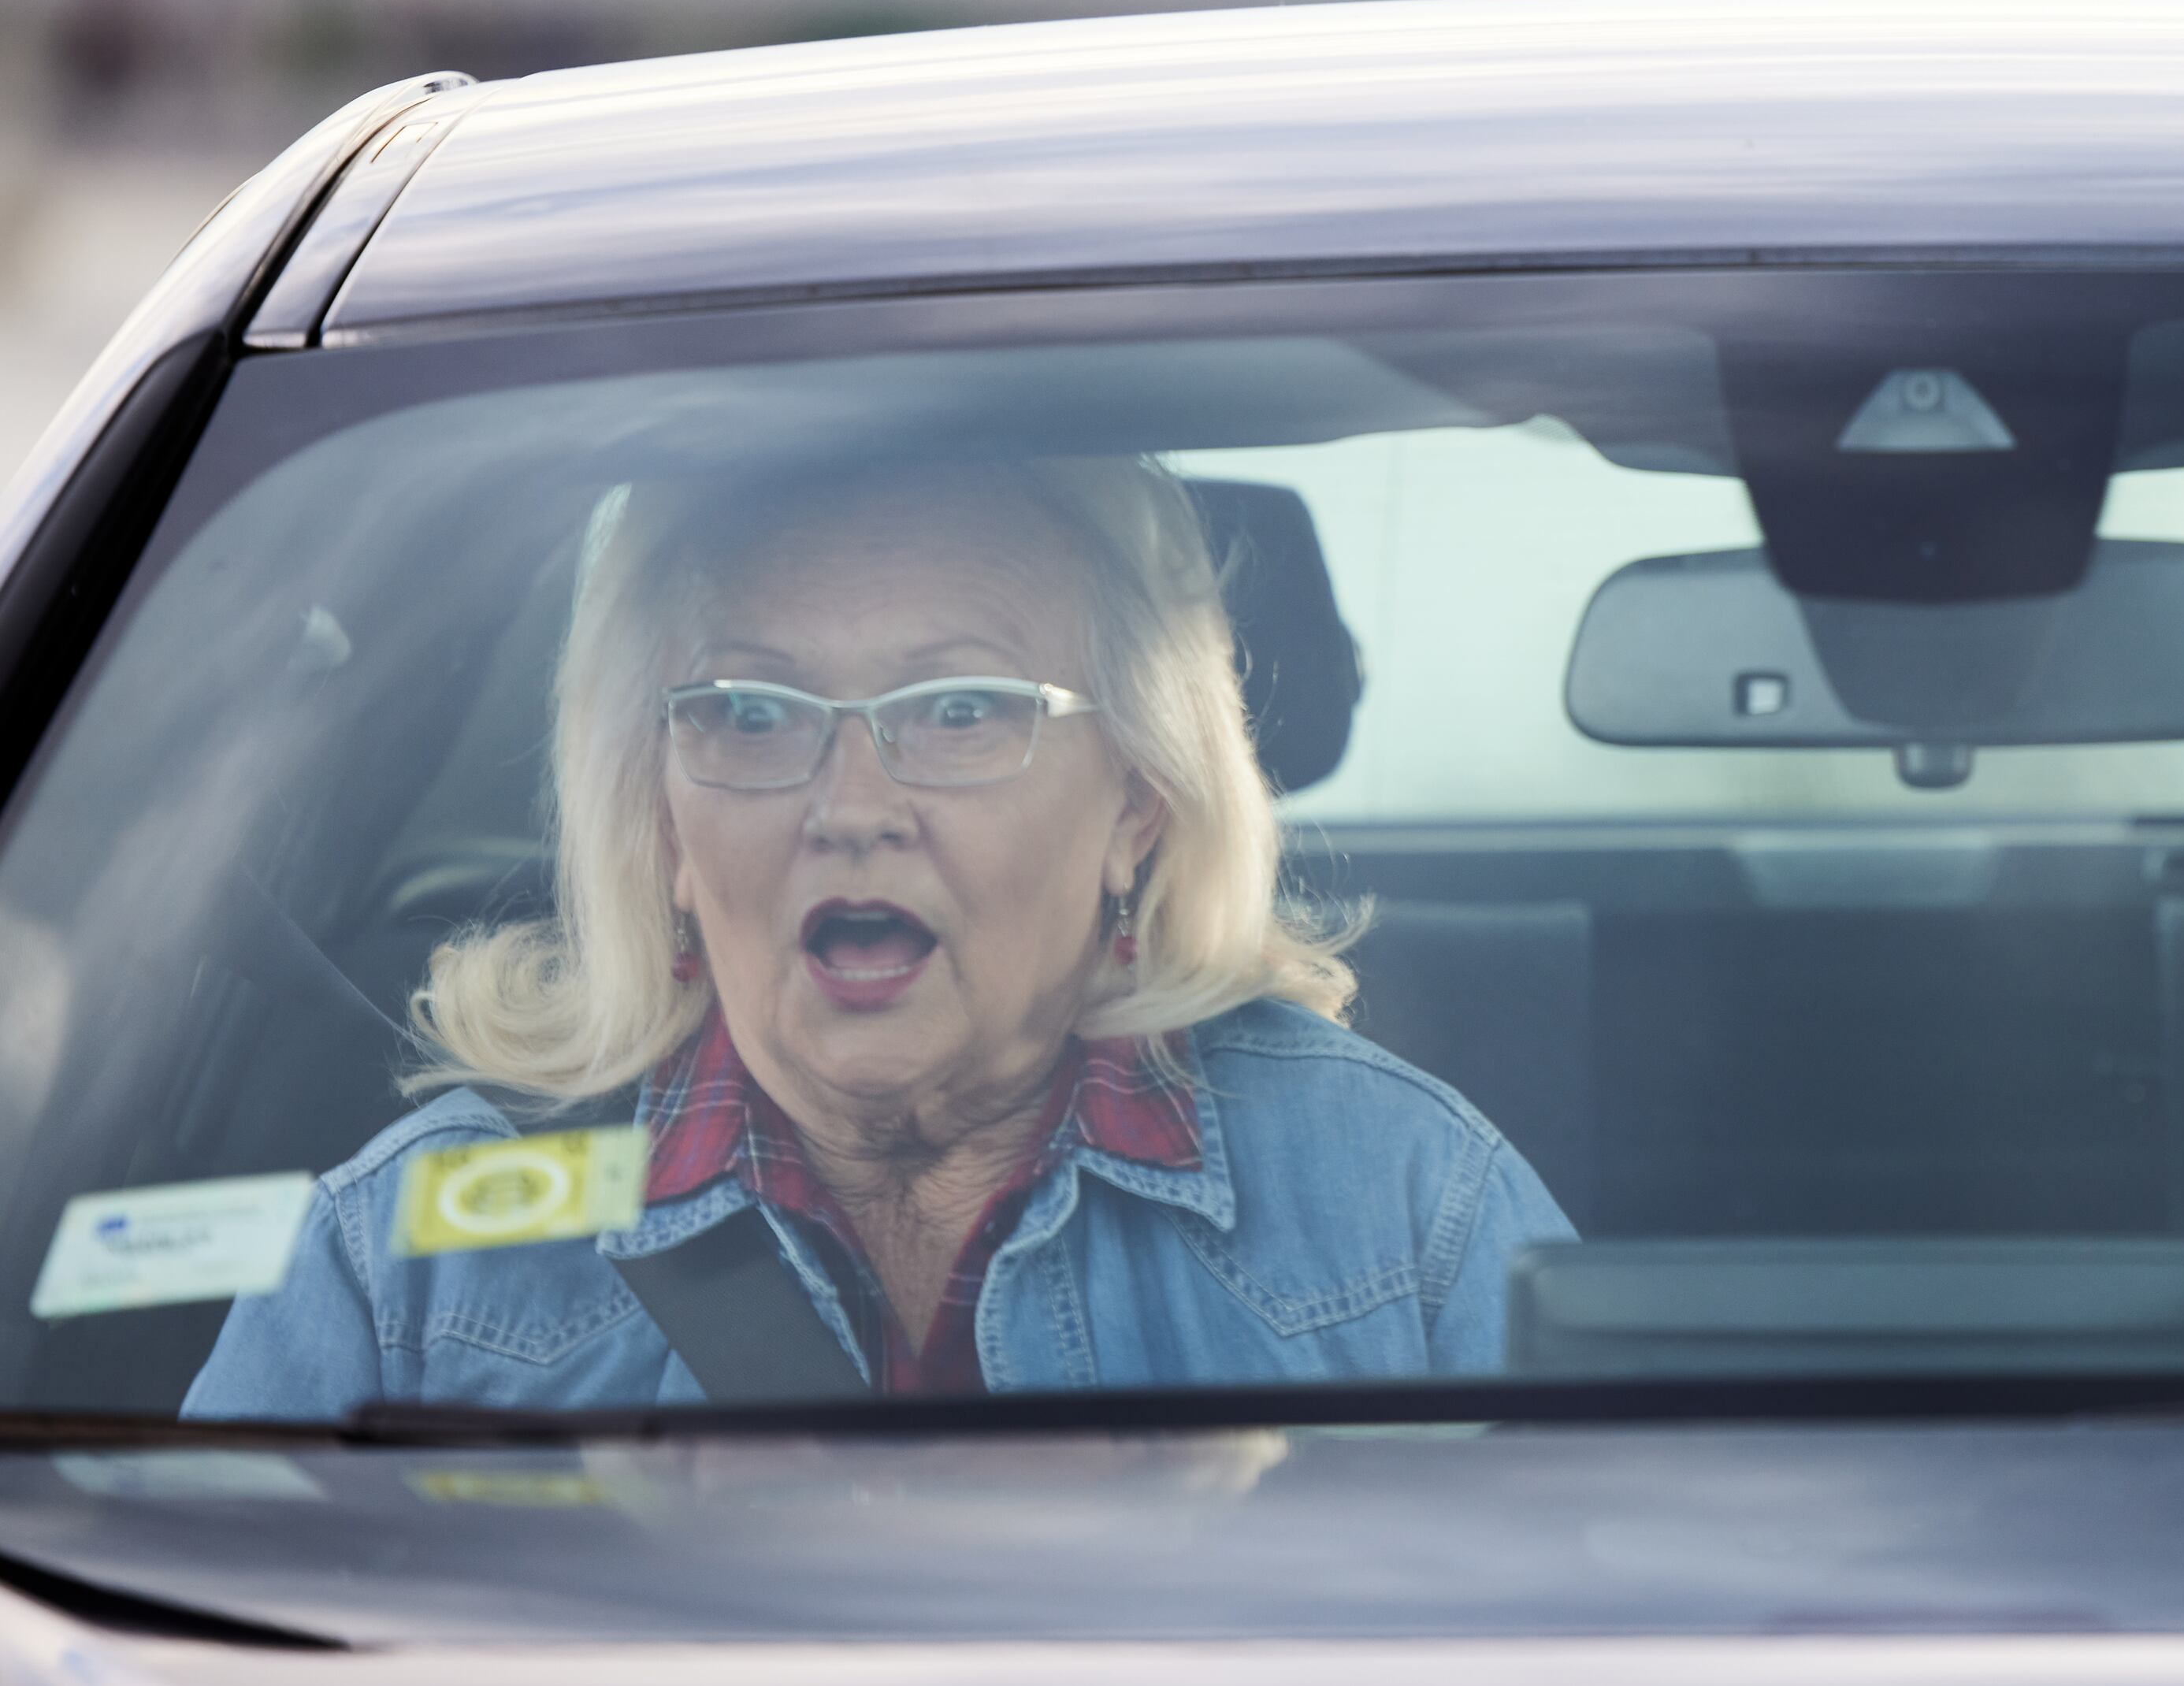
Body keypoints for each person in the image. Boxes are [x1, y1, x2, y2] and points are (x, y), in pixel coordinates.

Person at [188, 456, 1566, 1413]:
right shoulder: (399, 1266)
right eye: (755, 711)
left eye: (961, 709)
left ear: (1138, 804)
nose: (851, 809)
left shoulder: (1405, 1207)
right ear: (661, 821)